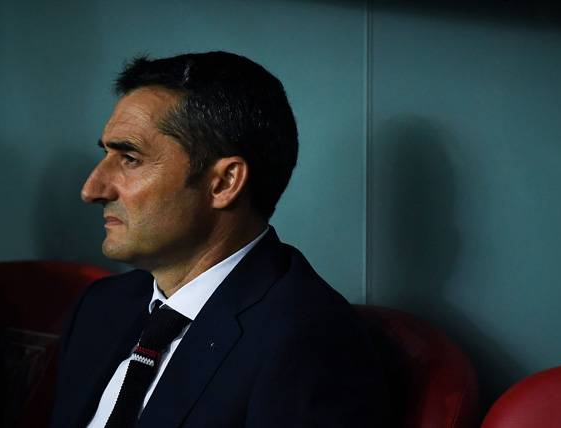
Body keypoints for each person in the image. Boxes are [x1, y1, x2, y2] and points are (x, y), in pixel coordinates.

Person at [51, 51, 395, 428]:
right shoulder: (101, 306)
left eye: (130, 159)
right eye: (106, 154)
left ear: (225, 183)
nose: (91, 189)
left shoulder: (309, 341)